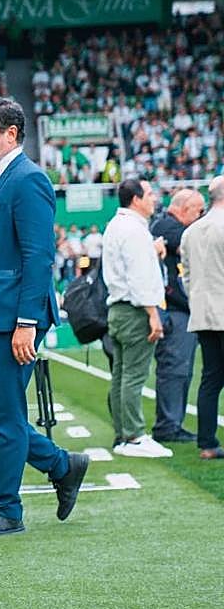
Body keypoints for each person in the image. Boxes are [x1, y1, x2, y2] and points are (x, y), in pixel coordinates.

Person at [0, 97, 88, 537]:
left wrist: (27, 321)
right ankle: (61, 463)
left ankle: (7, 511)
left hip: (11, 319)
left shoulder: (28, 179)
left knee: (5, 414)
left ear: (10, 133)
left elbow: (38, 255)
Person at [101, 179, 172, 458]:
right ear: (136, 199)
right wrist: (153, 314)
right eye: (150, 194)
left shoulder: (117, 225)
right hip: (135, 311)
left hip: (118, 309)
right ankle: (134, 436)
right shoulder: (133, 230)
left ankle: (123, 434)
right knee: (133, 376)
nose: (154, 199)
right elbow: (139, 277)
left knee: (120, 375)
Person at [149, 188, 206, 443]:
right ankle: (168, 426)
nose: (201, 216)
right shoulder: (166, 225)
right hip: (173, 311)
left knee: (181, 371)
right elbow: (191, 239)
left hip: (181, 310)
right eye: (198, 210)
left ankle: (173, 423)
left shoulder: (169, 227)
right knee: (175, 369)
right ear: (182, 208)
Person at [182, 176, 224, 460]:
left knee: (210, 378)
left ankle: (207, 443)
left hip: (203, 313)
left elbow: (185, 274)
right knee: (211, 378)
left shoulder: (191, 232)